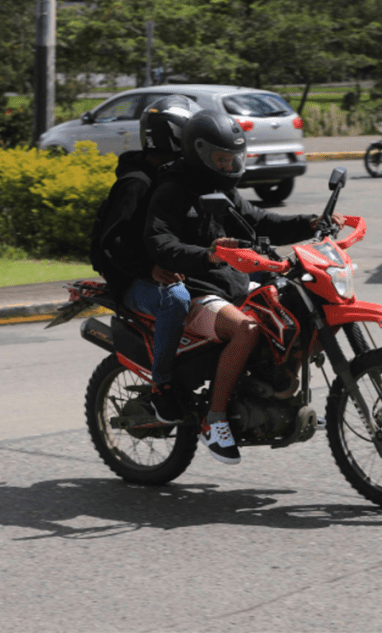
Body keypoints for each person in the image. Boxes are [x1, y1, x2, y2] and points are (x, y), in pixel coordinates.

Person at [144, 109, 345, 464]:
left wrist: (313, 223)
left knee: (295, 310)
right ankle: (215, 418)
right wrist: (208, 255)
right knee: (247, 330)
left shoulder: (224, 191)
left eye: (232, 158)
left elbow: (262, 221)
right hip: (195, 289)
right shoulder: (172, 190)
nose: (227, 166)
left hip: (233, 284)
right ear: (200, 153)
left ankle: (274, 390)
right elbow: (160, 242)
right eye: (220, 159)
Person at [94, 95, 202, 422]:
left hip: (171, 271)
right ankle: (162, 386)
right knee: (176, 299)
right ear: (173, 136)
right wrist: (149, 268)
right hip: (133, 283)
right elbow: (109, 244)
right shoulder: (136, 183)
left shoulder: (177, 179)